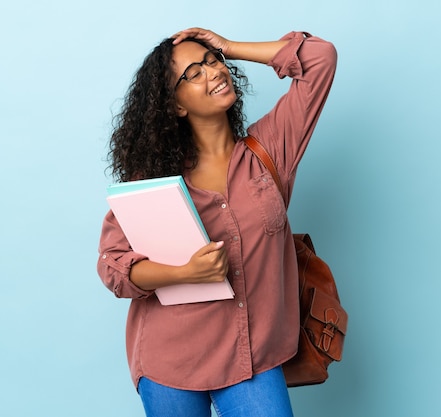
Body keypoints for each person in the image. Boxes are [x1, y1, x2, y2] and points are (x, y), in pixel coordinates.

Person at [97, 27, 337, 417]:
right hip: (171, 360)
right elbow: (113, 266)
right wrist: (184, 273)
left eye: (212, 61)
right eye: (193, 72)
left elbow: (320, 58)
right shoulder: (153, 179)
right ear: (175, 105)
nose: (213, 71)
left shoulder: (271, 149)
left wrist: (229, 47)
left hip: (253, 357)